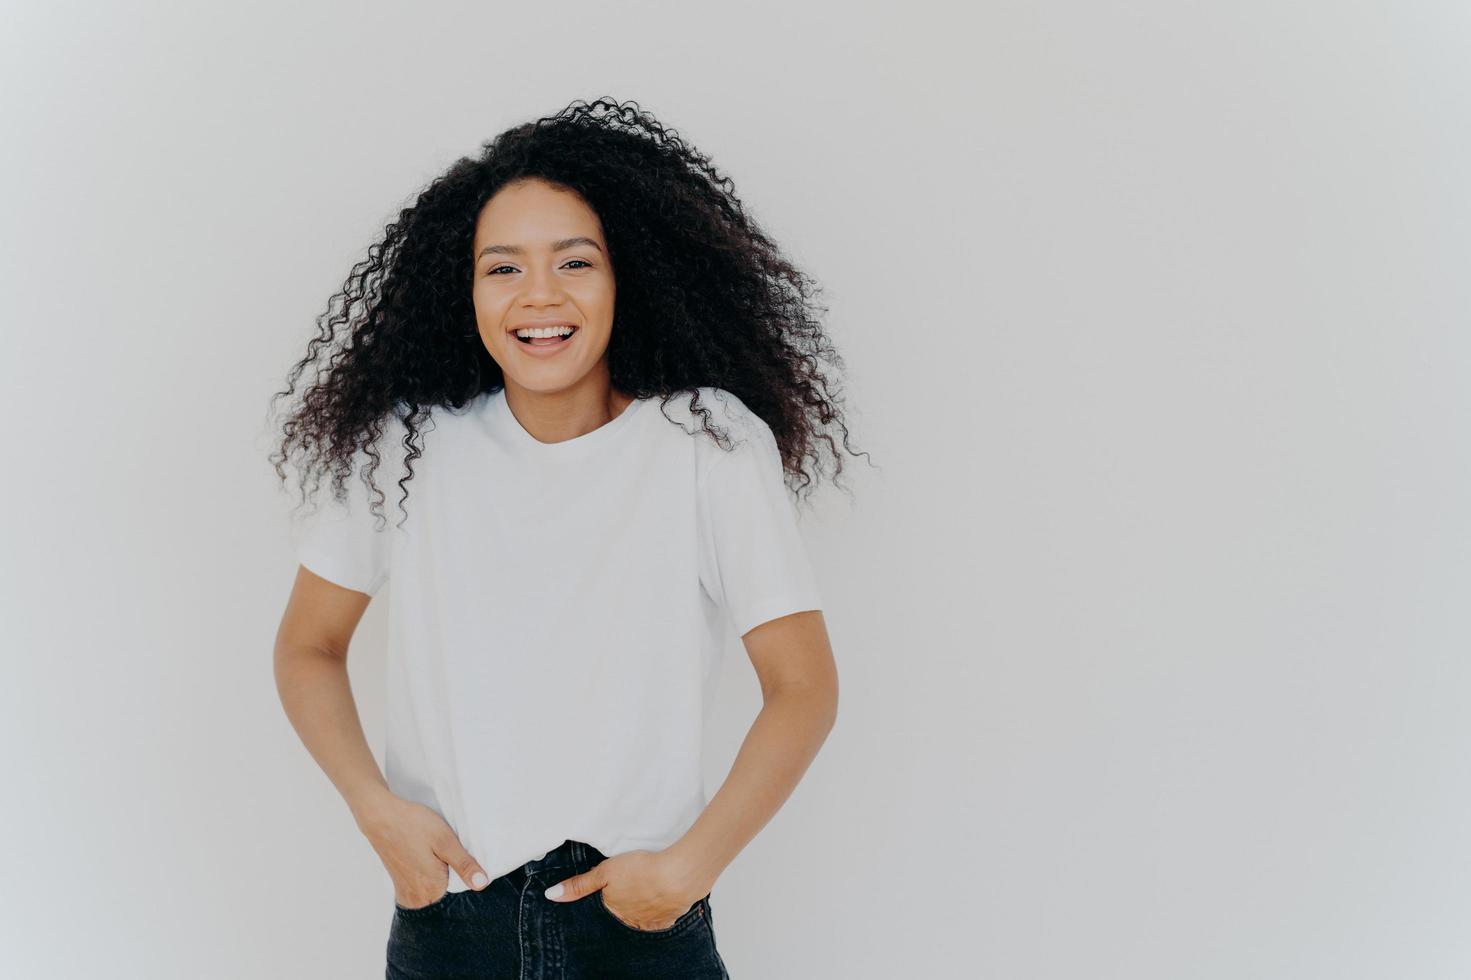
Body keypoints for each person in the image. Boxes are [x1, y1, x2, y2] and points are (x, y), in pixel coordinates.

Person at [269, 97, 866, 978]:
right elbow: (308, 646)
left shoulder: (706, 442)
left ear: (631, 277)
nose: (538, 296)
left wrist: (685, 872)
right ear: (462, 288)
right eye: (502, 267)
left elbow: (802, 686)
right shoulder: (405, 447)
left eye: (574, 262)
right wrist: (375, 810)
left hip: (637, 927)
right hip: (449, 923)